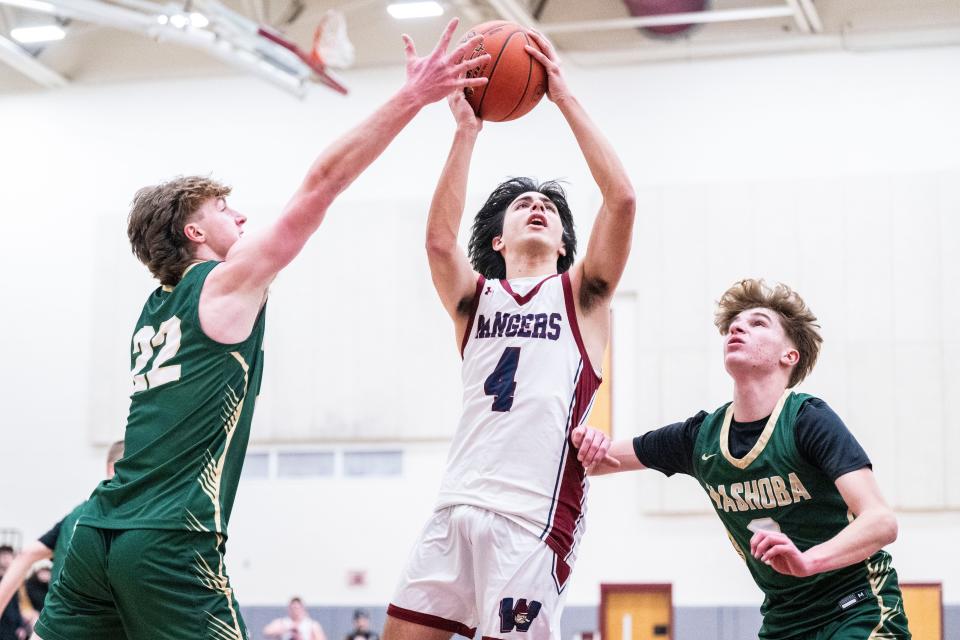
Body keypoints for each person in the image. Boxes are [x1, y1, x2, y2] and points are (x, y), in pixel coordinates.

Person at [32, 19, 490, 640]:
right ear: (194, 233)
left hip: (93, 535)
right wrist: (413, 95)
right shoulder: (218, 285)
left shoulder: (153, 308)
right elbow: (321, 186)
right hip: (168, 538)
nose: (242, 214)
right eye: (223, 209)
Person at [385, 31, 635, 640]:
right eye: (522, 204)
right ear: (498, 240)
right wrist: (466, 131)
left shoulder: (583, 296)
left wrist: (563, 98)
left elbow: (622, 200)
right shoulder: (475, 302)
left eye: (548, 208)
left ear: (565, 246)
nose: (536, 206)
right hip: (456, 504)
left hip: (532, 517)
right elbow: (439, 243)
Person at [592, 279, 911, 640]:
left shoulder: (806, 419)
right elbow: (598, 460)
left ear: (790, 355)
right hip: (784, 619)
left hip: (856, 606)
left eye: (758, 323)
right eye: (733, 325)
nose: (738, 327)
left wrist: (809, 562)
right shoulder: (700, 437)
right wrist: (587, 438)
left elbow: (882, 522)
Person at [0, 440, 125, 622]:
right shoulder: (128, 518)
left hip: (55, 625)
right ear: (114, 469)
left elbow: (26, 554)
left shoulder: (76, 515)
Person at [0, 546, 27, 640]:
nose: (6, 559)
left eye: (9, 556)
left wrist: (21, 626)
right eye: (3, 556)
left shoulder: (14, 580)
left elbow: (16, 605)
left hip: (12, 627)